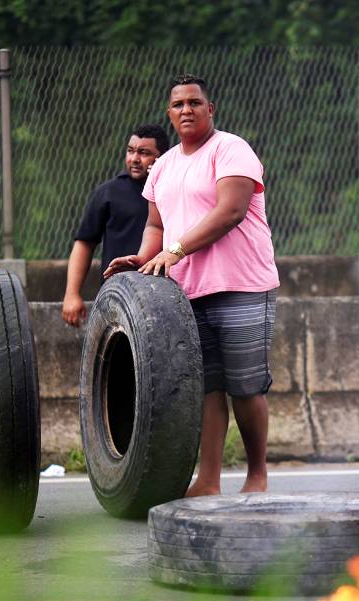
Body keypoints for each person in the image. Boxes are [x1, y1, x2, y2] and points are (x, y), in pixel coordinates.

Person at [106, 74, 279, 497]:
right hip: (184, 295)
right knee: (208, 388)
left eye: (195, 103)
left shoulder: (231, 149)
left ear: (210, 109)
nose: (187, 110)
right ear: (169, 113)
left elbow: (231, 211)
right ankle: (209, 480)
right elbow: (155, 223)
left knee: (246, 385)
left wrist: (176, 251)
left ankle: (257, 476)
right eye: (178, 104)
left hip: (241, 285)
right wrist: (144, 257)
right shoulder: (162, 166)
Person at [62, 124, 169, 326]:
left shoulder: (173, 190)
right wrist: (72, 294)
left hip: (164, 295)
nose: (134, 159)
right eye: (130, 151)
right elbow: (84, 243)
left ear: (162, 158)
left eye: (144, 153)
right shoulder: (108, 193)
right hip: (118, 296)